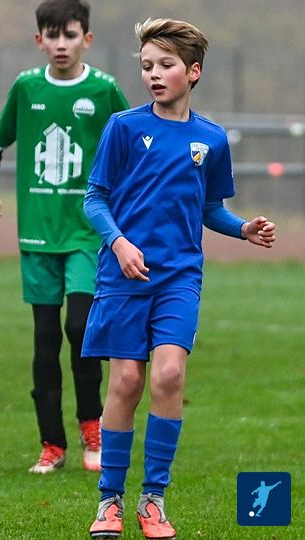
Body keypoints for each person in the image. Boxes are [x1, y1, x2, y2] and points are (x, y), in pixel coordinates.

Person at [83, 18, 276, 540]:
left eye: (165, 65)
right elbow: (95, 198)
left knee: (168, 376)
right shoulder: (123, 127)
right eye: (147, 65)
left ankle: (153, 500)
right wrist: (119, 243)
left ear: (193, 72)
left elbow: (210, 208)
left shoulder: (211, 138)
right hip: (123, 275)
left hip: (179, 278)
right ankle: (109, 501)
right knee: (126, 382)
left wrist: (243, 228)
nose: (153, 74)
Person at [0, 0, 128, 474]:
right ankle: (52, 444)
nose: (62, 44)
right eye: (53, 35)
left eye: (71, 35)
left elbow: (131, 146)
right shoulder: (27, 87)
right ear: (39, 40)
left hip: (86, 233)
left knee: (80, 328)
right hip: (38, 236)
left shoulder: (104, 90)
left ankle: (92, 427)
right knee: (45, 339)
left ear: (87, 39)